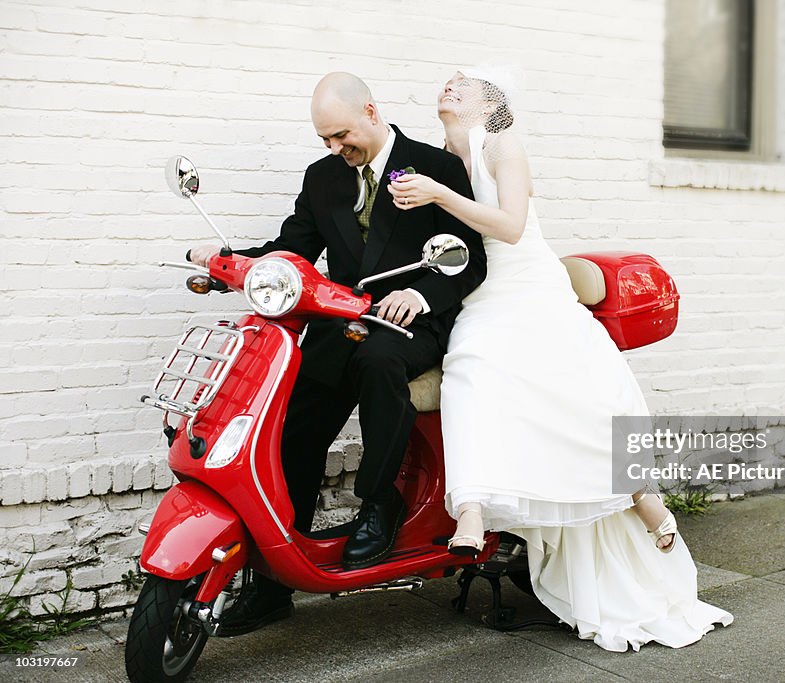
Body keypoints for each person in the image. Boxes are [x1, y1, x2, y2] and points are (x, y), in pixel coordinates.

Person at [386, 66, 733, 652]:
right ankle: (469, 508)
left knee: (586, 389)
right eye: (446, 82)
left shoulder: (503, 145)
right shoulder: (435, 158)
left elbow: (513, 226)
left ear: (490, 103)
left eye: (463, 85)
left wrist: (441, 194)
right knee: (473, 371)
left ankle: (644, 497)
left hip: (527, 286)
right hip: (477, 297)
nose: (449, 86)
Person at [186, 72, 486, 635]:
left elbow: (469, 256)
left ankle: (379, 505)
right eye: (324, 139)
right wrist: (227, 260)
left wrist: (420, 293)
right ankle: (274, 581)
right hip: (342, 320)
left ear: (371, 112)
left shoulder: (435, 168)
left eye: (341, 135)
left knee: (378, 363)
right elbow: (294, 247)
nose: (333, 148)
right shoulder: (323, 176)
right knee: (291, 423)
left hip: (412, 321)